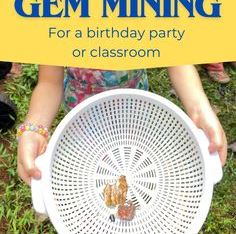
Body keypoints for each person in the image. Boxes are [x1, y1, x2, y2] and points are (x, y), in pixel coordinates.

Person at [17, 65, 227, 185]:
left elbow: (178, 60)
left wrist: (200, 110)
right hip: (83, 116)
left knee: (132, 165)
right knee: (92, 171)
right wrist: (34, 129)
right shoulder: (55, 5)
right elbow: (49, 82)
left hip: (133, 108)